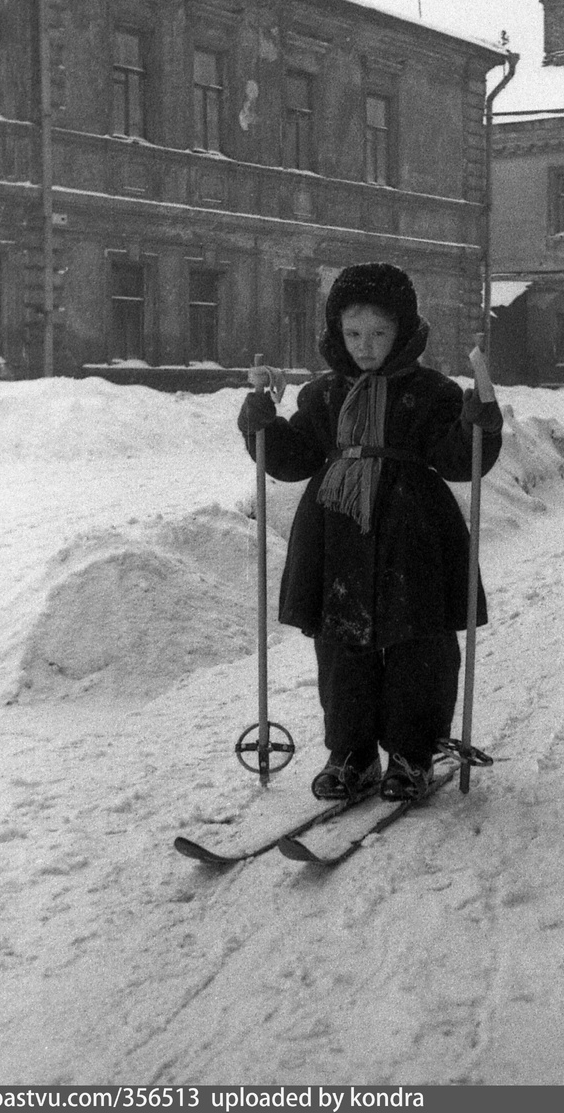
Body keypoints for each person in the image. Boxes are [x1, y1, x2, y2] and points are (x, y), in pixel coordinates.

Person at [238, 262, 503, 802]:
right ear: (337, 332)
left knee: (417, 645)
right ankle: (352, 753)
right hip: (336, 538)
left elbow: (458, 460)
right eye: (353, 333)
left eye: (379, 334)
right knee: (342, 646)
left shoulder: (431, 393)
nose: (365, 346)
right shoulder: (324, 395)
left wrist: (480, 418)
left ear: (402, 333)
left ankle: (411, 752)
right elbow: (292, 459)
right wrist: (261, 422)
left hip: (414, 535)